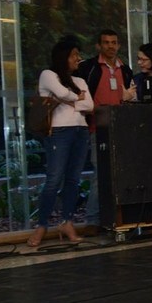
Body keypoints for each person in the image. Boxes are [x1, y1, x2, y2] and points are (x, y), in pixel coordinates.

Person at [28, 39, 95, 247]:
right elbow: (63, 93)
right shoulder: (48, 75)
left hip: (81, 130)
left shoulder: (80, 80)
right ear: (63, 56)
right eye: (74, 54)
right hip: (58, 131)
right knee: (54, 179)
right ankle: (42, 225)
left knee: (73, 179)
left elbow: (90, 106)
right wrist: (76, 99)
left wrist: (73, 101)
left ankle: (67, 222)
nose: (78, 59)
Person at [75, 29, 134, 222]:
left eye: (114, 42)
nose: (110, 46)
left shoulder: (125, 70)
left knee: (122, 172)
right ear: (98, 46)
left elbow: (129, 97)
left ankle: (118, 217)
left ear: (119, 45)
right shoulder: (88, 67)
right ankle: (93, 219)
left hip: (121, 128)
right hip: (97, 129)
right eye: (106, 42)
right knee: (100, 174)